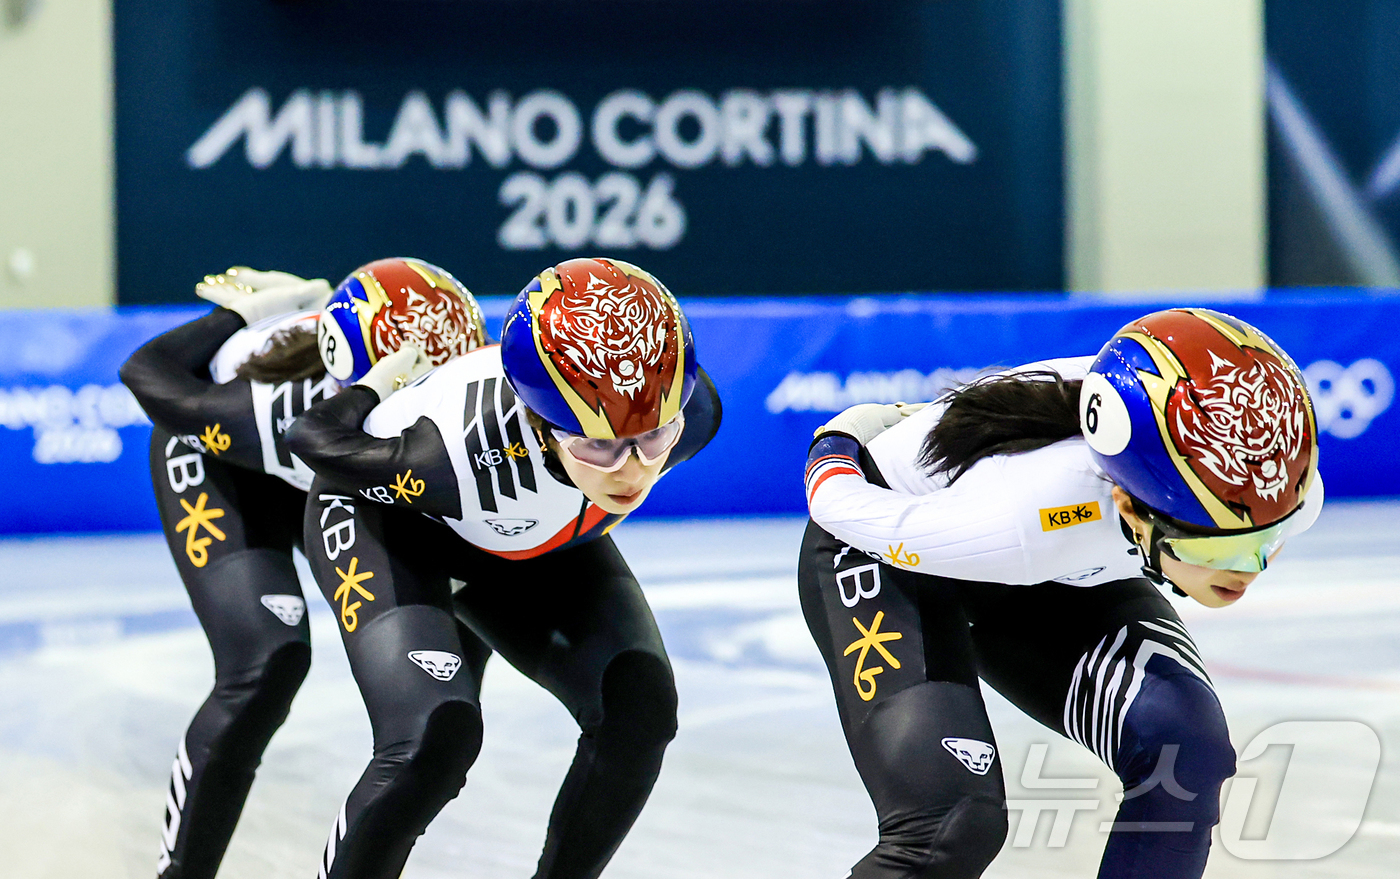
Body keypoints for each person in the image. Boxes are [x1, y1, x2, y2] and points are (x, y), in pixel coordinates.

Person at [798, 308, 1322, 879]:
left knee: (1186, 755)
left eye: (1268, 541)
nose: (1246, 572)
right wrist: (841, 441)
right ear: (1130, 507)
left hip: (1058, 560)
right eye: (1212, 551)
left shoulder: (1275, 479)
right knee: (949, 824)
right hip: (893, 549)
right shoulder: (1030, 516)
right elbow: (837, 507)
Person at [285, 256, 722, 879]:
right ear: (542, 426)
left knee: (639, 710)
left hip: (525, 536)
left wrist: (615, 448)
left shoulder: (694, 413)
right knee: (435, 739)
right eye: (596, 443)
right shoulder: (448, 454)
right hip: (394, 522)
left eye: (653, 439)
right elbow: (314, 440)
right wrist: (375, 386)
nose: (632, 470)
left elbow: (632, 439)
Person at [120, 258, 487, 879]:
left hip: (337, 470)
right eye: (414, 394)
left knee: (437, 719)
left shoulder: (455, 412)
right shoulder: (280, 406)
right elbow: (144, 373)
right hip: (223, 457)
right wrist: (241, 317)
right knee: (267, 663)